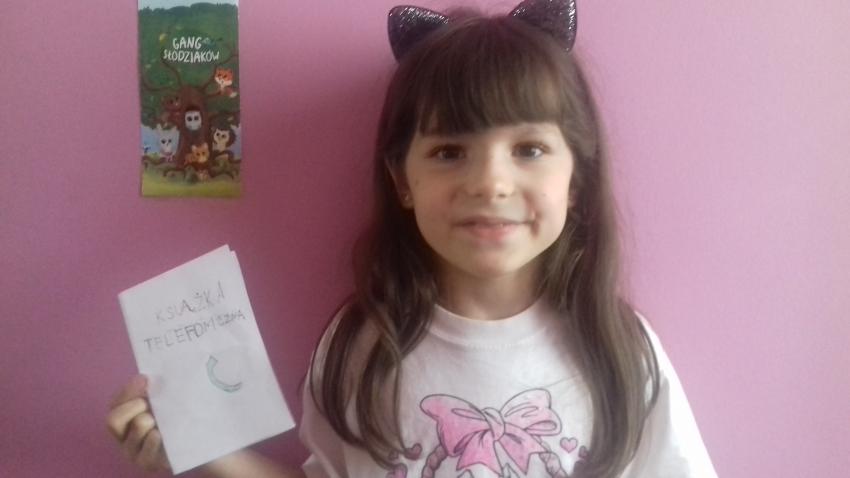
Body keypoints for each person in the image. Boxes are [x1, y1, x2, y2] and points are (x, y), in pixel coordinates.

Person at [107, 1, 718, 476]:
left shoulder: (621, 351)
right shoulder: (358, 350)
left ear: (576, 180)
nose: (491, 183)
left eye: (529, 149)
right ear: (402, 180)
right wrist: (206, 452)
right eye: (450, 151)